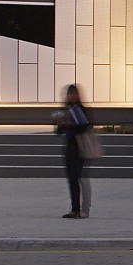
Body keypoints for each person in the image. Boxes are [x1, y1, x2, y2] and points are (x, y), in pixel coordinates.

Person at [53, 84, 96, 218]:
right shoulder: (66, 110)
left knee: (81, 178)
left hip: (80, 147)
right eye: (69, 94)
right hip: (69, 147)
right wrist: (61, 123)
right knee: (71, 178)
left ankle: (85, 209)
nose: (71, 96)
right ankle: (74, 209)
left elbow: (85, 127)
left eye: (73, 94)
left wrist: (71, 124)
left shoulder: (81, 109)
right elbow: (58, 132)